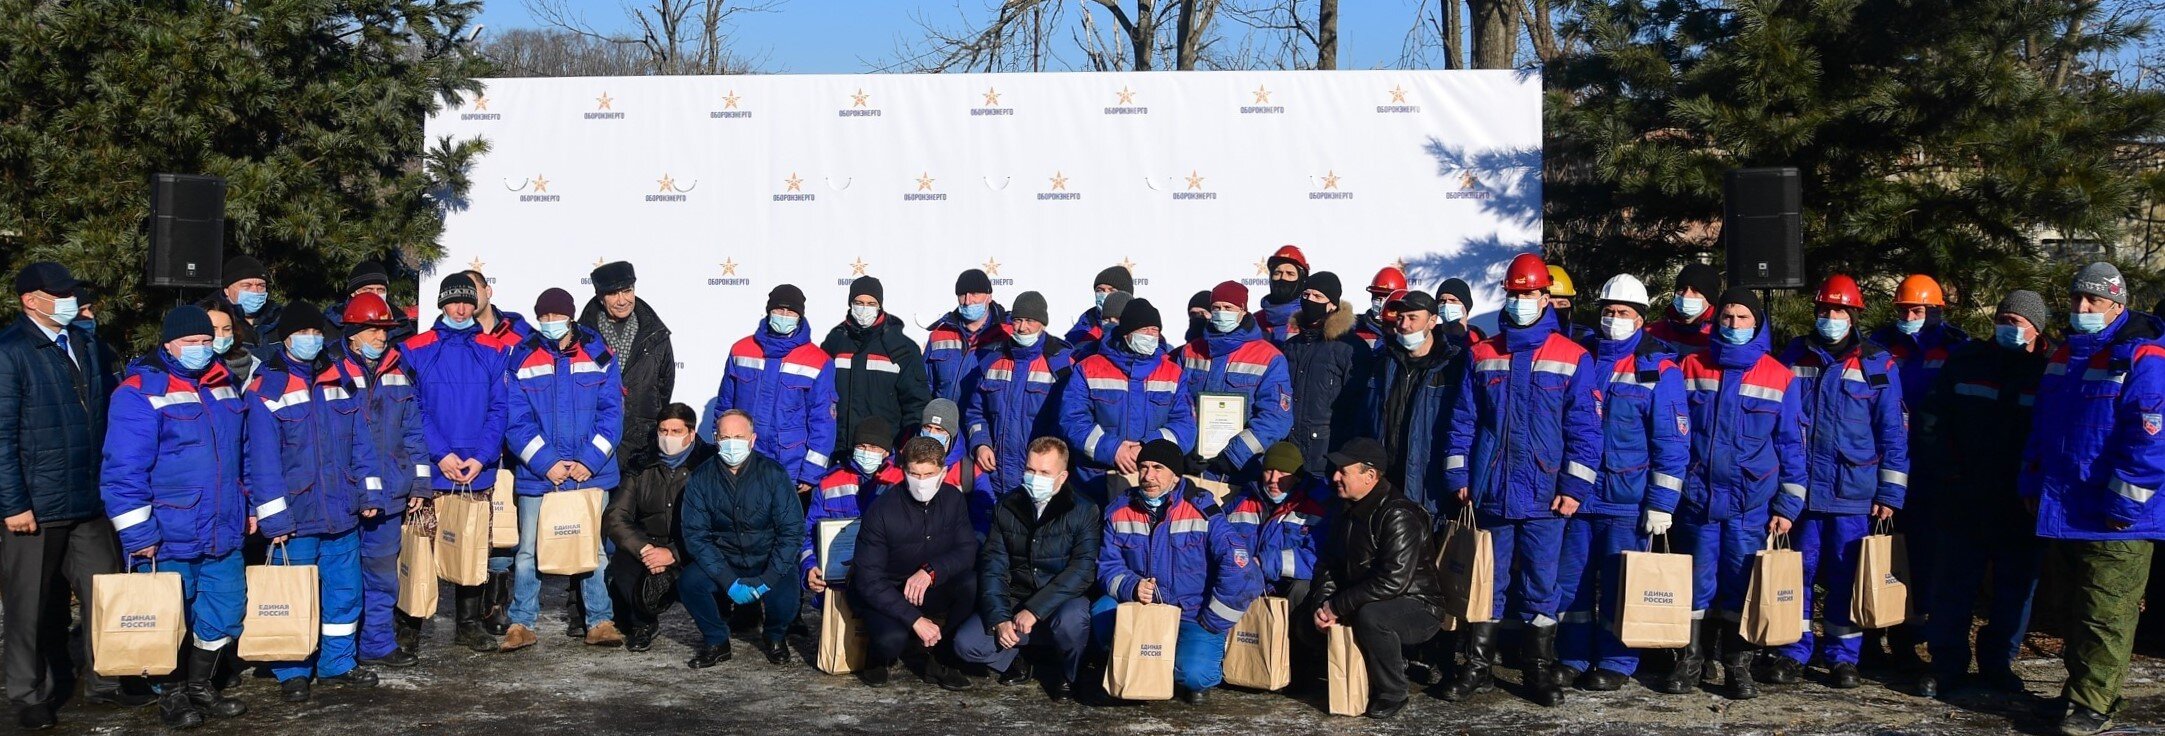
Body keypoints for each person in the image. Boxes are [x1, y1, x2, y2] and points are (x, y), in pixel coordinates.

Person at [103, 305, 295, 729]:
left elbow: (243, 454)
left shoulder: (223, 385)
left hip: (222, 526)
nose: (201, 349)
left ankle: (200, 685)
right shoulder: (139, 391)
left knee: (226, 610)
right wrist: (137, 532)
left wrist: (247, 504)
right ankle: (172, 694)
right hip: (168, 530)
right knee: (170, 618)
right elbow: (123, 469)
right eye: (191, 342)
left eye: (207, 341)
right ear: (168, 343)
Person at [1440, 253, 1602, 708]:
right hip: (1491, 492)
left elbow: (1585, 430)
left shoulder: (1572, 357)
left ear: (1545, 297)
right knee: (1487, 584)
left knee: (1540, 585)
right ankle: (1476, 666)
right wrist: (1459, 474)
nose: (1520, 301)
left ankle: (1537, 669)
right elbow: (1462, 421)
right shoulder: (1483, 353)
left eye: (1528, 294)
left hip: (1546, 497)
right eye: (1513, 294)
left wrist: (1573, 489)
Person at [2019, 262, 2165, 736]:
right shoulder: (2066, 354)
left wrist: (2123, 507)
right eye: (2077, 299)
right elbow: (2042, 428)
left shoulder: (2143, 357)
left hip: (2116, 518)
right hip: (2064, 507)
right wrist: (2031, 484)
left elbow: (2151, 442)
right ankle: (2079, 693)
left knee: (2107, 613)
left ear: (2117, 304)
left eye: (2093, 302)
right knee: (2074, 610)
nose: (2082, 309)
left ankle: (2095, 704)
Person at [1, 262, 148, 730]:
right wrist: (13, 504)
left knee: (103, 594)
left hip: (89, 500)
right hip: (36, 506)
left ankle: (105, 681)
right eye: (58, 293)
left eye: (72, 292)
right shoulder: (11, 352)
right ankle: (28, 694)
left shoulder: (85, 343)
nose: (70, 300)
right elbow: (2, 436)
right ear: (30, 299)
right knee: (29, 605)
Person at [1763, 275, 1910, 690]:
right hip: (1802, 493)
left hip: (1853, 492)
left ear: (1854, 315)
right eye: (1825, 310)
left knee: (1847, 576)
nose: (1831, 318)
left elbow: (1894, 433)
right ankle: (1793, 650)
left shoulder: (1877, 363)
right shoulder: (1794, 357)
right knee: (1798, 573)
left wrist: (1890, 492)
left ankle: (1844, 657)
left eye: (1839, 311)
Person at [1665, 287, 1808, 699]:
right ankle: (1690, 659)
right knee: (1697, 584)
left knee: (1740, 584)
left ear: (1758, 324)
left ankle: (1735, 664)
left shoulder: (1778, 375)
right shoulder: (1691, 365)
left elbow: (1791, 446)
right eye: (1727, 317)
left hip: (1750, 504)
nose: (1733, 324)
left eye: (1742, 318)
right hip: (1699, 499)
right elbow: (1675, 432)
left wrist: (1788, 504)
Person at [1912, 290, 2052, 699]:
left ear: (2036, 328)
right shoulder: (1968, 361)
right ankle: (1947, 663)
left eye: (2018, 321)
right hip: (1965, 495)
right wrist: (1949, 472)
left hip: (2020, 502)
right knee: (1953, 585)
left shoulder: (2050, 369)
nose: (2008, 327)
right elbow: (1933, 420)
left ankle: (1998, 664)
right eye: (2003, 318)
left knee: (2014, 589)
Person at [1554, 274, 1688, 692]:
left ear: (1641, 318)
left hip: (1628, 501)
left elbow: (1672, 441)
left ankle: (1616, 661)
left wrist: (1662, 503)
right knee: (1570, 583)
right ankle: (1572, 656)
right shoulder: (1581, 358)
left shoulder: (1659, 370)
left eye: (1623, 312)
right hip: (1579, 497)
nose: (1614, 319)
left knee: (1620, 585)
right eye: (1608, 311)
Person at [246, 303, 386, 702]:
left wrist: (370, 492)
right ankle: (292, 669)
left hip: (341, 511)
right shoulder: (266, 388)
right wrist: (275, 519)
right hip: (296, 517)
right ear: (286, 338)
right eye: (303, 332)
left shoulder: (339, 378)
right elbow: (263, 462)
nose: (312, 339)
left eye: (316, 332)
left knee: (345, 592)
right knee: (294, 595)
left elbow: (362, 442)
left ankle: (337, 664)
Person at [1092, 439, 1261, 704]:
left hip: (1194, 613)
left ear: (1176, 475)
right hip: (1143, 608)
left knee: (1194, 676)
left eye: (1158, 468)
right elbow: (1107, 567)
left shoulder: (1201, 509)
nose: (1148, 476)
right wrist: (1131, 587)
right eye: (1143, 467)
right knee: (1101, 611)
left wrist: (1214, 620)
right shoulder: (1119, 510)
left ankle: (1179, 660)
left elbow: (1240, 566)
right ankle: (1135, 662)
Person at [502, 288, 624, 651]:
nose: (551, 324)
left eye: (557, 317)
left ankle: (600, 621)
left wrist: (588, 461)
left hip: (591, 474)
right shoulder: (521, 356)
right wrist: (547, 464)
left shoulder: (599, 354)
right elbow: (515, 420)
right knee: (527, 552)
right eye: (545, 318)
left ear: (571, 318)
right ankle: (521, 623)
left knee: (595, 550)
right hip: (539, 476)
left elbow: (612, 415)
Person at [400, 274, 513, 653]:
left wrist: (480, 458)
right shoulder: (415, 348)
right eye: (454, 302)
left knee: (472, 545)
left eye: (468, 302)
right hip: (432, 469)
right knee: (420, 549)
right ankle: (410, 625)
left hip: (475, 471)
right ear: (442, 304)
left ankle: (467, 623)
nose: (462, 309)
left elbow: (500, 409)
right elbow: (411, 408)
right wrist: (441, 454)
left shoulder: (493, 349)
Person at [1863, 273, 1968, 673]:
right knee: (1875, 552)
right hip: (1880, 466)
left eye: (1917, 310)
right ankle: (1872, 634)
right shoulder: (1878, 345)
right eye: (1904, 309)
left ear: (1935, 311)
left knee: (1922, 558)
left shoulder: (1954, 349)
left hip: (1928, 469)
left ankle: (1910, 637)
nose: (1909, 316)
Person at [1305, 438, 1443, 718]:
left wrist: (1338, 605)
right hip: (1366, 594)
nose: (1335, 476)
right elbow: (1330, 562)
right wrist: (1324, 603)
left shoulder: (1399, 514)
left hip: (1417, 604)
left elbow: (1393, 580)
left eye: (1344, 471)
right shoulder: (1345, 508)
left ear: (1369, 476)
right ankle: (1317, 673)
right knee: (1304, 602)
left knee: (1372, 616)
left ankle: (1393, 691)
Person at [955, 437, 1102, 700]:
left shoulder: (1084, 510)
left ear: (1062, 476)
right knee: (967, 645)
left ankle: (1069, 674)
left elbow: (1082, 570)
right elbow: (993, 565)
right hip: (1016, 597)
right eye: (1031, 470)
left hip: (1060, 600)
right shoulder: (1007, 505)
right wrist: (999, 618)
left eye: (1045, 472)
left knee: (1073, 620)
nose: (1036, 478)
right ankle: (1017, 661)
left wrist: (1035, 610)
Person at [326, 293, 428, 667]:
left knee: (383, 575)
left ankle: (377, 643)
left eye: (384, 331)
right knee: (342, 579)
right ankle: (335, 651)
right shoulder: (330, 371)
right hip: (342, 495)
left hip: (390, 493)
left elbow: (413, 432)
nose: (380, 338)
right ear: (352, 334)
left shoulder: (399, 370)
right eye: (372, 330)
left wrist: (419, 483)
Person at [851, 437, 981, 689]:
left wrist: (932, 571)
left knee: (970, 583)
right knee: (891, 641)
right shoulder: (881, 511)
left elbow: (967, 550)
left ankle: (942, 657)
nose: (922, 482)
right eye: (914, 474)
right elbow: (869, 580)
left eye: (929, 474)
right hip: (889, 590)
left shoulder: (953, 499)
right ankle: (878, 655)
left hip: (930, 585)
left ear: (943, 472)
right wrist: (915, 620)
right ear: (903, 471)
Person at [678, 410, 803, 668]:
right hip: (725, 560)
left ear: (752, 439)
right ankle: (716, 641)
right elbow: (696, 535)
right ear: (715, 438)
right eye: (725, 437)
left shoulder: (774, 474)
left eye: (738, 436)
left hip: (768, 559)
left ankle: (774, 636)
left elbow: (791, 531)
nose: (731, 443)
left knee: (788, 595)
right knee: (690, 583)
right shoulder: (701, 478)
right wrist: (728, 580)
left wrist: (767, 580)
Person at [701, 285, 838, 495]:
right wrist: (723, 449)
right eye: (778, 310)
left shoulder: (818, 361)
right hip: (744, 462)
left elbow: (823, 422)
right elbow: (725, 407)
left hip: (790, 468)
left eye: (791, 312)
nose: (784, 316)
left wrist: (811, 473)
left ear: (800, 316)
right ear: (768, 311)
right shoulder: (741, 350)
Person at [603, 403, 714, 653]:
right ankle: (642, 624)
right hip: (649, 543)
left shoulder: (710, 465)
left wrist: (673, 553)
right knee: (623, 562)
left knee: (710, 565)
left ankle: (715, 630)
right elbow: (616, 515)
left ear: (691, 433)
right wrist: (644, 549)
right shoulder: (641, 464)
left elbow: (716, 523)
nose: (668, 437)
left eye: (676, 431)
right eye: (663, 431)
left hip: (692, 543)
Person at [1058, 299, 1197, 498]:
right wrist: (1113, 449)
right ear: (1127, 333)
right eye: (1144, 330)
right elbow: (1071, 419)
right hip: (1095, 481)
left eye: (1154, 330)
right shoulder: (1088, 368)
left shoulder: (1173, 373)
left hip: (1153, 481)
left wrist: (1147, 448)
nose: (1150, 335)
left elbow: (1185, 427)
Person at [1227, 442, 1331, 686]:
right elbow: (1221, 539)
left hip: (1287, 583)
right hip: (1252, 582)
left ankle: (1301, 661)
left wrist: (1266, 561)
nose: (1273, 479)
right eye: (1268, 471)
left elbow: (1319, 555)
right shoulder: (1244, 498)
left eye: (1282, 473)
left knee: (1302, 589)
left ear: (1296, 476)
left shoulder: (1317, 502)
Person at [963, 291, 1073, 501]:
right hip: (995, 478)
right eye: (1017, 320)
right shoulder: (992, 360)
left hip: (1041, 479)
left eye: (1030, 321)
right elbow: (975, 413)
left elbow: (1069, 422)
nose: (1022, 327)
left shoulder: (1060, 363)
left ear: (1042, 323)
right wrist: (980, 443)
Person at [1364, 291, 1467, 515]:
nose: (1404, 325)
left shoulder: (1452, 366)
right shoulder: (1383, 363)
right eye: (1400, 318)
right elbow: (1366, 418)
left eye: (1413, 318)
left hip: (1429, 485)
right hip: (1386, 480)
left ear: (1432, 321)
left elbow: (1463, 422)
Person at [1180, 281, 1293, 480]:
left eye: (1228, 308)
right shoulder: (1190, 352)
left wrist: (1234, 456)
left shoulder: (1269, 357)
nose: (1221, 312)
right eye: (1216, 307)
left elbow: (1275, 419)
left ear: (1242, 310)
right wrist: (1183, 447)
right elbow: (1177, 405)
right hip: (1192, 467)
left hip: (1241, 471)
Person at [821, 276, 930, 464]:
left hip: (883, 454)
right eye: (859, 302)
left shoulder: (901, 348)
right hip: (839, 453)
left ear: (880, 306)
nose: (864, 309)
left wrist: (904, 446)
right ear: (850, 304)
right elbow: (820, 397)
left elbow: (916, 404)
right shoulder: (835, 342)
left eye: (871, 303)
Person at [580, 261, 676, 472]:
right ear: (600, 296)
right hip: (594, 442)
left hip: (642, 443)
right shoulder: (582, 337)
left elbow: (664, 386)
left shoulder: (655, 335)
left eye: (627, 291)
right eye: (613, 293)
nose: (622, 300)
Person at [803, 417, 904, 596]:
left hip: (888, 585)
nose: (867, 452)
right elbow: (809, 531)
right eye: (862, 446)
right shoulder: (829, 481)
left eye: (874, 447)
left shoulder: (902, 480)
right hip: (838, 586)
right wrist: (809, 566)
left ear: (886, 451)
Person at [1281, 272, 1363, 474]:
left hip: (1326, 456)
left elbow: (1357, 407)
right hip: (1288, 453)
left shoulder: (1350, 348)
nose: (1310, 300)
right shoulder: (1291, 346)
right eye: (1306, 294)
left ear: (1332, 305)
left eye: (1318, 297)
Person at [926, 269, 1009, 404]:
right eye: (962, 294)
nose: (968, 301)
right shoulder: (939, 334)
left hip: (983, 423)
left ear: (989, 296)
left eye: (975, 294)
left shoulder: (1006, 334)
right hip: (945, 422)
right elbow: (925, 386)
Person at [323, 260, 417, 346]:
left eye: (380, 290)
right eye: (368, 289)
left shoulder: (401, 324)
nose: (375, 294)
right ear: (353, 292)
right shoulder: (333, 322)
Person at [1646, 262, 1720, 355]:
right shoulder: (1653, 332)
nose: (1686, 295)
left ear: (1710, 299)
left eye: (1695, 290)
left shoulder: (1720, 336)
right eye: (1682, 289)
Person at [208, 255, 280, 351]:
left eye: (261, 285)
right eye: (247, 285)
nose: (255, 291)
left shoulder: (279, 316)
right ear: (227, 291)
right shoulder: (207, 317)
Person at [1065, 265, 1135, 345]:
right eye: (1100, 290)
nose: (1105, 294)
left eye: (1112, 291)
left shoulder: (1143, 322)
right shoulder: (1085, 322)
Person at [200, 300, 261, 390]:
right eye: (213, 329)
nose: (221, 335)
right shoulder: (190, 366)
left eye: (226, 329)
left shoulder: (253, 366)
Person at [1353, 266, 1408, 350]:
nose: (1381, 302)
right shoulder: (1355, 328)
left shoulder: (1408, 330)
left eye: (1387, 297)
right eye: (1377, 296)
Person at [1071, 290, 1131, 362]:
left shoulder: (1144, 355)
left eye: (1118, 319)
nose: (1111, 323)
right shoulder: (1085, 355)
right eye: (1106, 319)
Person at [1545, 265, 1596, 342]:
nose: (1555, 308)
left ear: (1571, 308)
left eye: (1562, 304)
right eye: (1549, 304)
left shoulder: (1584, 337)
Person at [1435, 277, 1485, 344]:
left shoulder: (1481, 343)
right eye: (1442, 301)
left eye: (1453, 300)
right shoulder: (1427, 341)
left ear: (1466, 305)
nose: (1447, 304)